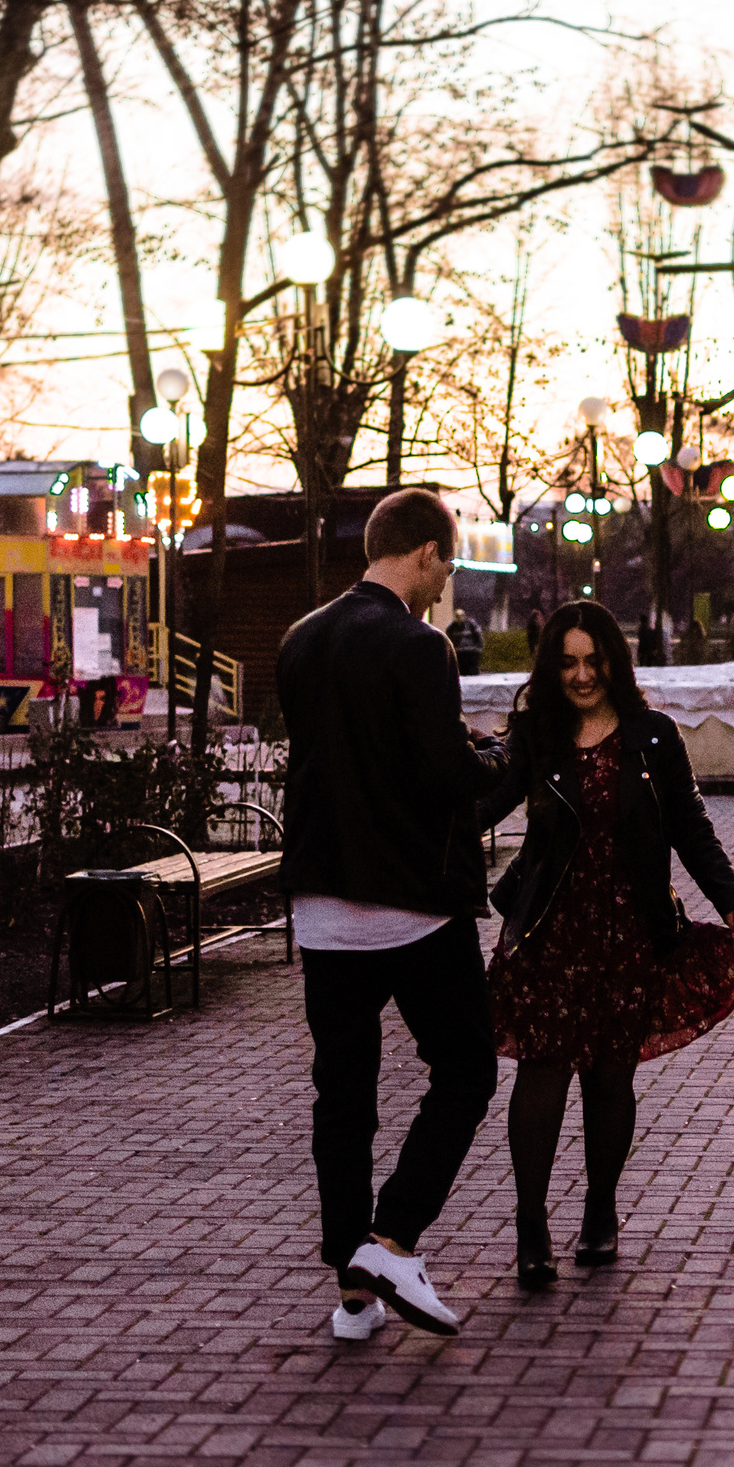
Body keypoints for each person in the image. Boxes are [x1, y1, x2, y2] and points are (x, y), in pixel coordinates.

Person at [277, 489, 505, 1342]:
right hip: (410, 907)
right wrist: (503, 755)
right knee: (466, 1070)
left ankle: (354, 1293)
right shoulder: (420, 645)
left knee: (344, 1097)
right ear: (426, 554)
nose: (444, 585)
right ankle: (393, 1236)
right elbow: (445, 778)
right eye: (446, 566)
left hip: (321, 908)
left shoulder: (300, 639)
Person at [478, 601, 734, 1290]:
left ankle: (600, 1210)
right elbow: (480, 803)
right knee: (541, 1072)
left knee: (609, 1075)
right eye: (566, 662)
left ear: (613, 662)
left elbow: (689, 824)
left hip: (629, 931)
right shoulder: (536, 735)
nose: (580, 675)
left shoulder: (653, 737)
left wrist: (730, 896)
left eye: (591, 661)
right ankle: (532, 1223)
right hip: (550, 931)